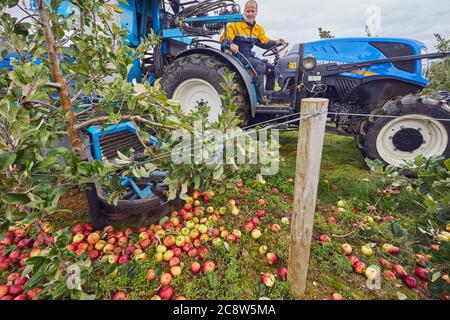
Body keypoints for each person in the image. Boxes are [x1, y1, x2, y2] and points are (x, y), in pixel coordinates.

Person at [220, 0, 286, 105]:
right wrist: (231, 44)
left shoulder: (257, 29)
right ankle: (260, 99)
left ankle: (269, 94)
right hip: (238, 56)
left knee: (271, 68)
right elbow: (224, 38)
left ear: (256, 12)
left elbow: (264, 42)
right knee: (259, 65)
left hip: (249, 56)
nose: (250, 14)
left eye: (253, 11)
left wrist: (276, 42)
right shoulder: (235, 24)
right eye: (248, 11)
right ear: (244, 11)